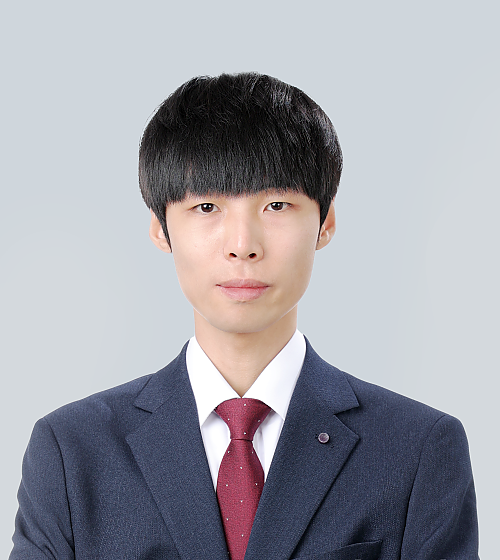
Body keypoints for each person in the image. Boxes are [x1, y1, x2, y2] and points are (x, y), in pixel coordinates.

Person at [10, 73, 479, 560]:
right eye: (206, 206)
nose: (242, 246)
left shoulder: (418, 448)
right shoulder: (70, 451)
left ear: (326, 222)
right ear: (160, 228)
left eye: (276, 204)